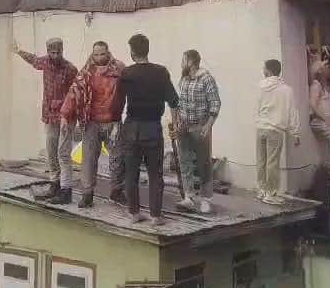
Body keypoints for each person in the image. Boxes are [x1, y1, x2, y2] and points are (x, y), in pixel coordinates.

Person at [118, 33, 180, 225]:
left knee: (131, 173)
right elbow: (174, 101)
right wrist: (175, 125)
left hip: (131, 126)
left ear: (132, 52)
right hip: (152, 127)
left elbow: (118, 103)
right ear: (147, 49)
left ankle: (134, 213)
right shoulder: (160, 72)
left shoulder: (126, 73)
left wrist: (115, 125)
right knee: (155, 174)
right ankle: (155, 216)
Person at [60, 41, 126, 209]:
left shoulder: (119, 69)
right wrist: (65, 116)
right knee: (88, 159)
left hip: (113, 122)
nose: (99, 58)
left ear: (107, 52)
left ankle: (117, 192)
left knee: (117, 159)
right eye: (96, 54)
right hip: (92, 122)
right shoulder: (86, 72)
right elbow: (73, 93)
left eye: (102, 54)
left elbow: (134, 89)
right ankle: (87, 194)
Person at [13, 38, 78, 204]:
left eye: (58, 52)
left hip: (66, 117)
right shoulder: (45, 63)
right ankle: (54, 183)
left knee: (63, 154)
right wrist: (18, 51)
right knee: (51, 152)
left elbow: (75, 94)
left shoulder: (70, 69)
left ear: (62, 51)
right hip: (50, 116)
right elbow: (33, 60)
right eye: (52, 52)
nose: (55, 56)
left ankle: (66, 190)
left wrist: (69, 114)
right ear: (48, 52)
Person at [177, 49, 221, 214]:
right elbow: (180, 101)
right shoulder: (184, 78)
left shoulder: (206, 78)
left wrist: (208, 125)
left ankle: (206, 199)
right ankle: (189, 196)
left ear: (191, 61)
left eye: (183, 60)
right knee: (185, 162)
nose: (181, 63)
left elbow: (215, 103)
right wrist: (178, 121)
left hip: (200, 127)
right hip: (184, 126)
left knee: (204, 163)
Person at [255, 59, 300, 204]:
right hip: (275, 129)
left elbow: (257, 107)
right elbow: (292, 112)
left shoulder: (260, 87)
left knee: (261, 160)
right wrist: (295, 133)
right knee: (272, 162)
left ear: (268, 71)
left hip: (261, 127)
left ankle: (262, 190)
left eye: (264, 68)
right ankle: (271, 193)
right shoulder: (286, 90)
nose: (263, 70)